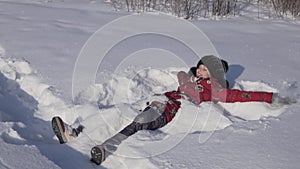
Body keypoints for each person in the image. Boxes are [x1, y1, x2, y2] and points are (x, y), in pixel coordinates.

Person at [52, 55, 294, 165]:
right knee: (116, 111)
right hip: (157, 101)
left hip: (168, 110)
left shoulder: (216, 90)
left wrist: (273, 97)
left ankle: (105, 150)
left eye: (207, 70)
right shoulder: (189, 79)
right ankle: (75, 132)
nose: (201, 71)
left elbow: (243, 95)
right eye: (200, 67)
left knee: (135, 124)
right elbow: (183, 79)